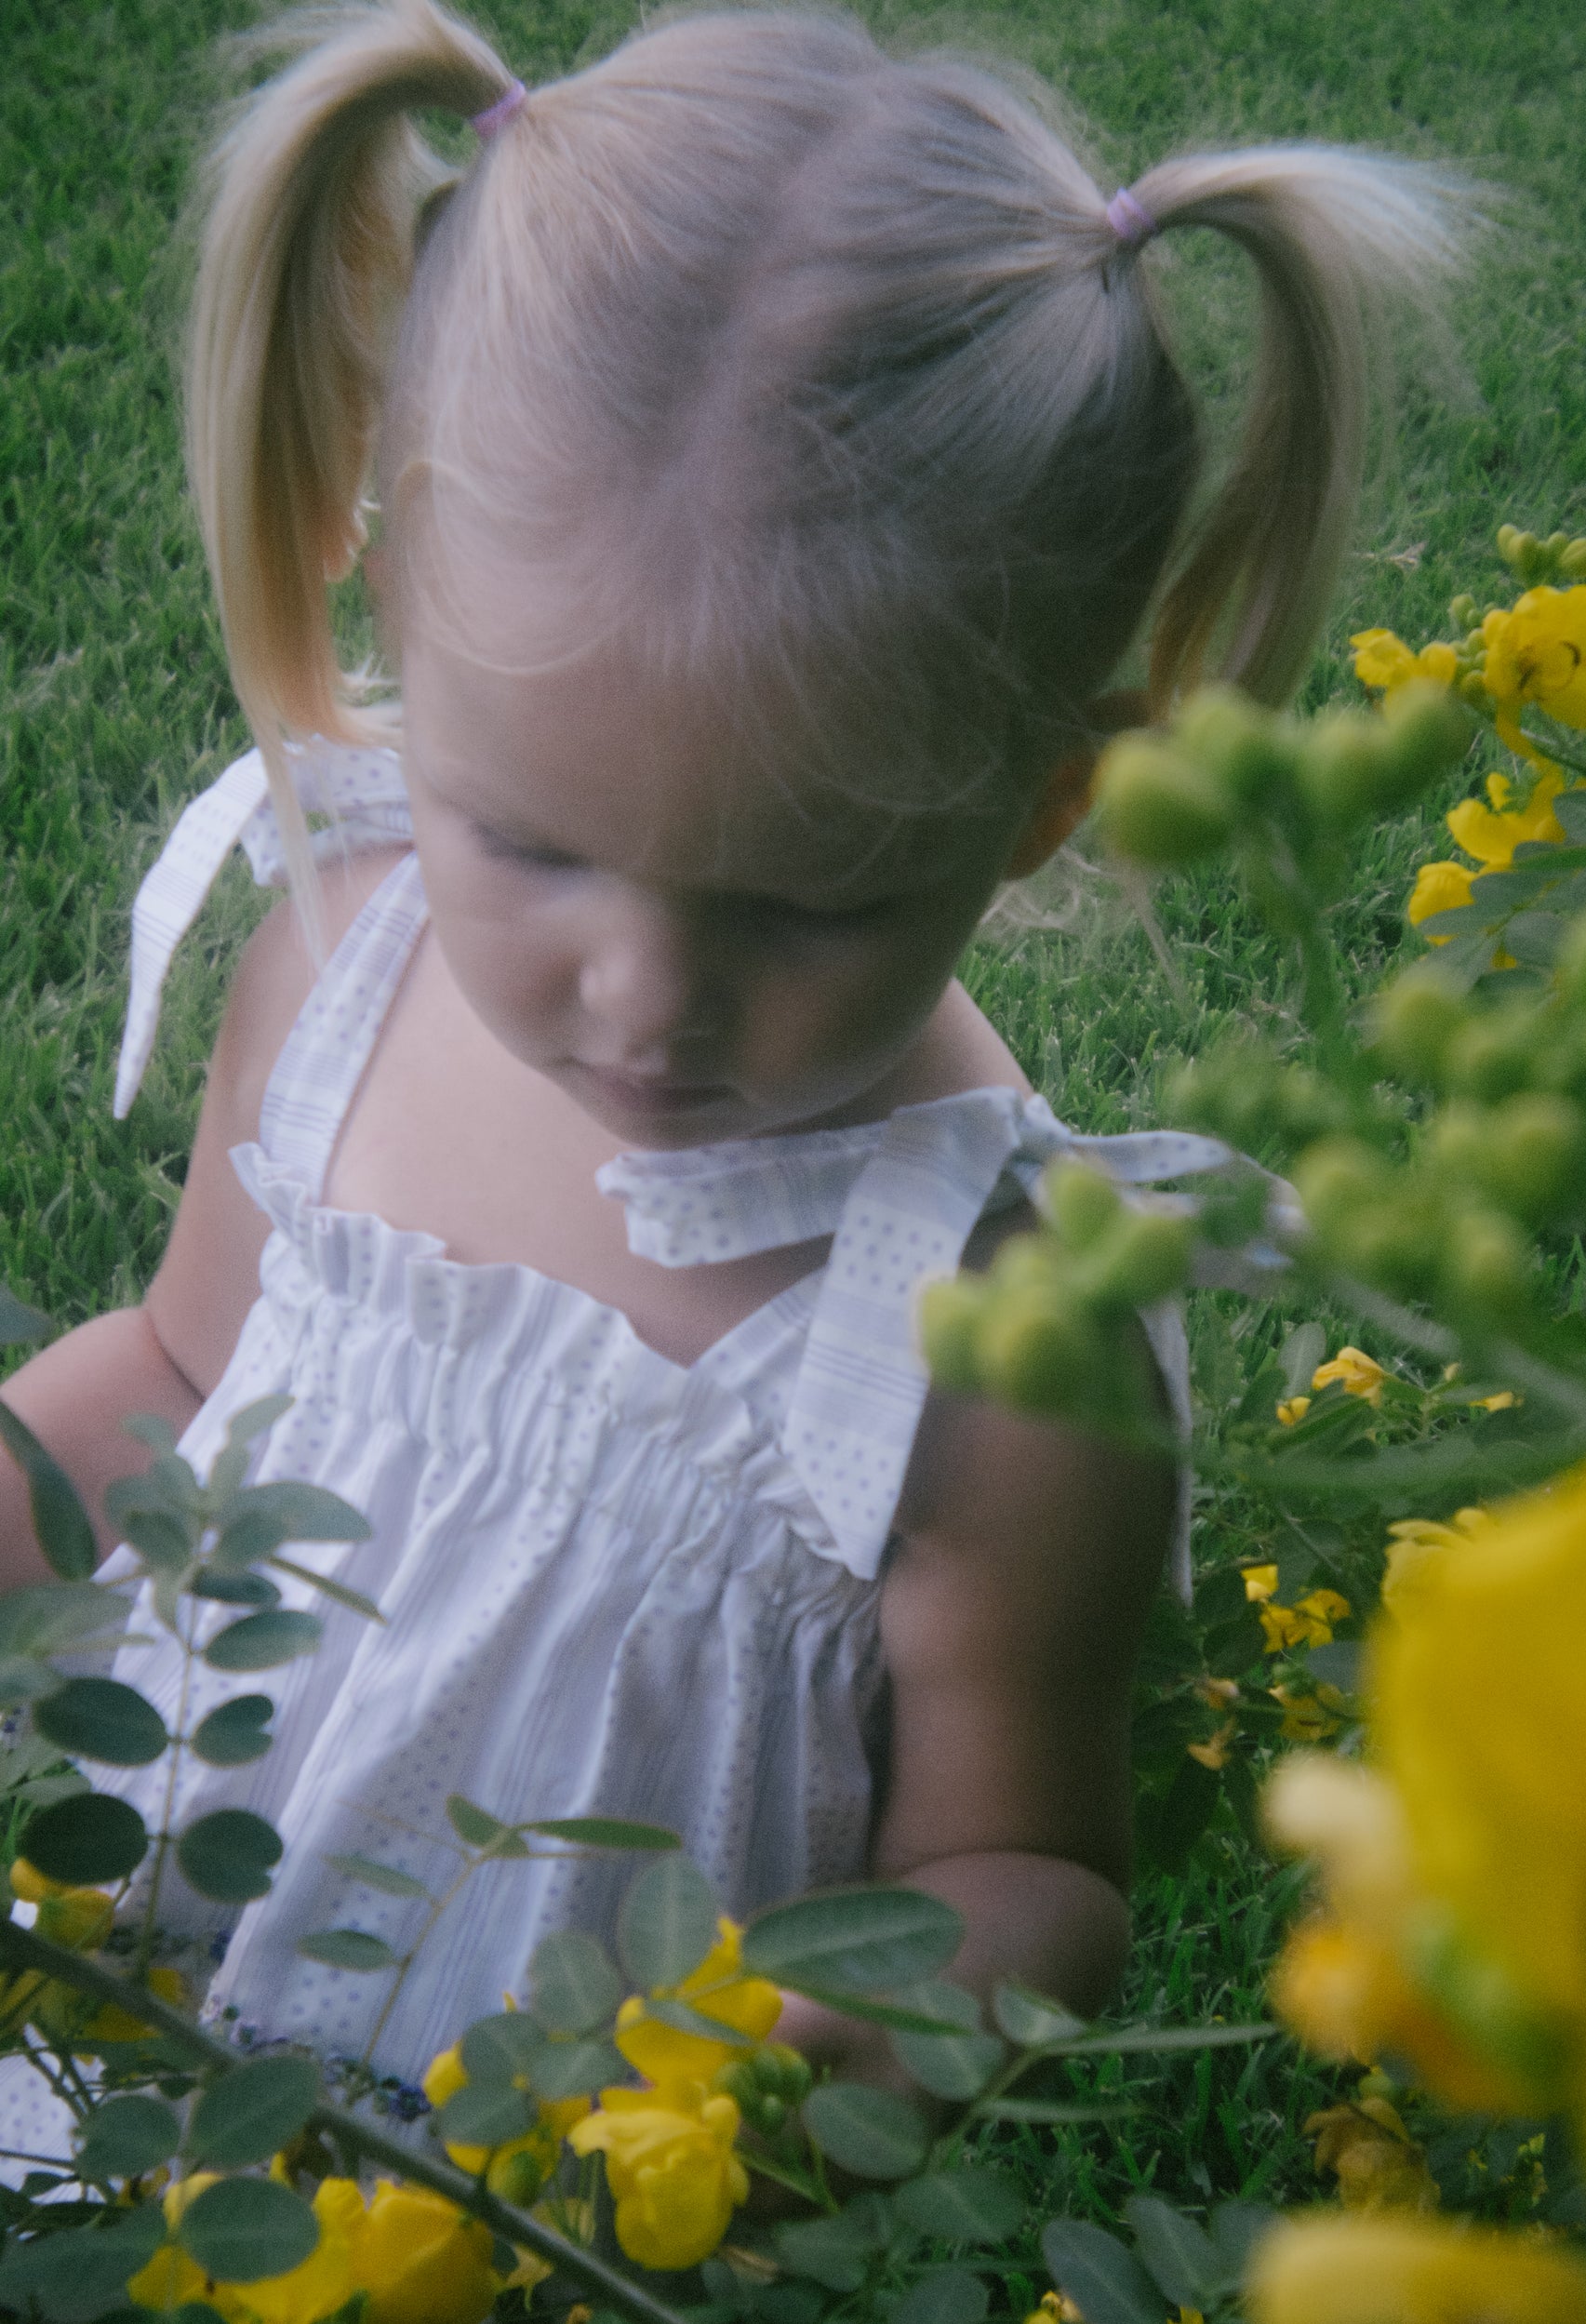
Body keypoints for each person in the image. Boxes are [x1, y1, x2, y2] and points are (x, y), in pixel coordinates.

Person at [0, 0, 1459, 2117]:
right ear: (400, 606)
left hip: (563, 2174)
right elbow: (175, 1374)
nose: (641, 1000)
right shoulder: (336, 971)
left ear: (1038, 803)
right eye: (534, 845)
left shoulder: (1000, 1342)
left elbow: (1022, 1859)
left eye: (799, 903)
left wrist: (843, 2039)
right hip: (125, 1999)